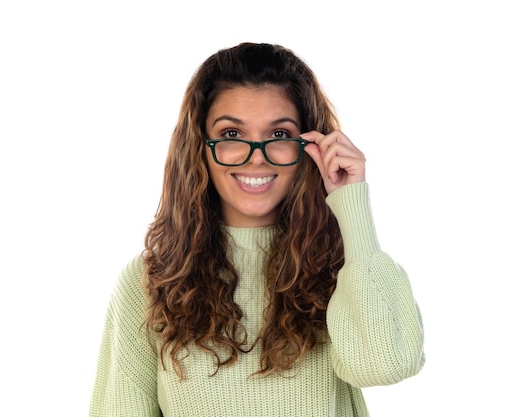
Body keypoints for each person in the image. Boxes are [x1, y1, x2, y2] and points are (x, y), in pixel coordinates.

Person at [89, 42, 425, 417]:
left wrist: (351, 203)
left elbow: (386, 365)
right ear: (200, 146)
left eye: (279, 135)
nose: (257, 155)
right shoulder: (150, 281)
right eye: (232, 135)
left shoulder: (345, 270)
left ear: (309, 145)